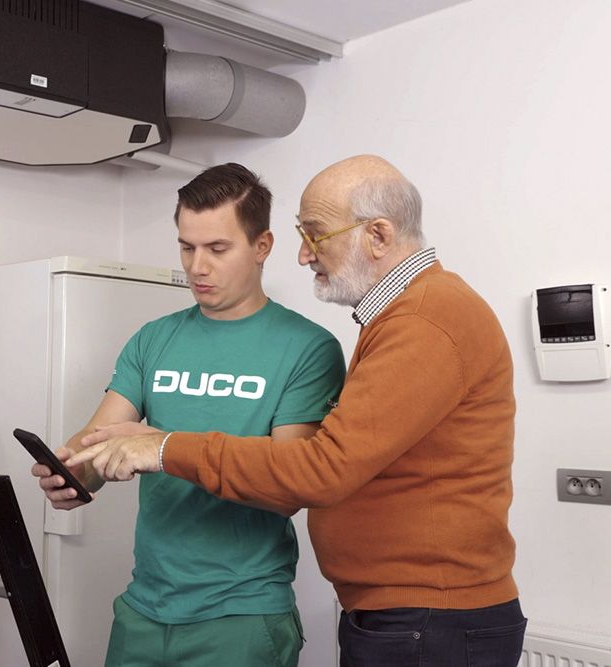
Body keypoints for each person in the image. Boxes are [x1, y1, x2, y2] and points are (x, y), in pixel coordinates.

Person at [68, 154, 527, 667]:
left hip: (427, 617)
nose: (306, 255)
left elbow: (319, 471)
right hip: (408, 614)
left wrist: (164, 447)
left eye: (316, 234)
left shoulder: (423, 319)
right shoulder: (409, 315)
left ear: (377, 235)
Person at [32, 162, 345, 667]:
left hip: (241, 615)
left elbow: (291, 485)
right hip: (143, 609)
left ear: (262, 246)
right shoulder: (153, 338)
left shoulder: (308, 348)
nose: (197, 266)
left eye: (217, 249)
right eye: (186, 247)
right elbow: (97, 443)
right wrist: (70, 473)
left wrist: (163, 447)